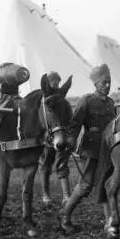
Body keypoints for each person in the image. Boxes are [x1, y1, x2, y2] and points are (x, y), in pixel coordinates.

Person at [59, 64, 116, 233]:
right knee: (85, 186)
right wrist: (70, 141)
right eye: (104, 82)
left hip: (108, 150)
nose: (107, 85)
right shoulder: (87, 100)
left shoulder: (111, 103)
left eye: (109, 82)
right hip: (90, 149)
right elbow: (75, 124)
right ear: (96, 83)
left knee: (107, 184)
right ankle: (64, 214)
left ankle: (110, 223)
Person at [39, 71, 71, 205]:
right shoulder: (43, 100)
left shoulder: (62, 99)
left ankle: (66, 195)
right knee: (45, 164)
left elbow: (68, 117)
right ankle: (45, 194)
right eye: (54, 81)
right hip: (47, 138)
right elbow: (39, 120)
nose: (56, 84)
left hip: (61, 136)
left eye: (58, 81)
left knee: (62, 164)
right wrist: (44, 133)